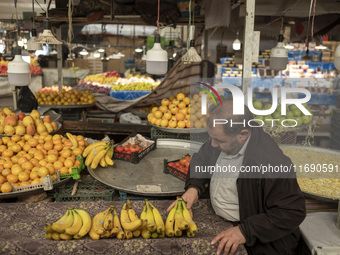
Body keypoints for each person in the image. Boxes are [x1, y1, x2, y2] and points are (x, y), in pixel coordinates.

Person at [167, 100, 306, 255]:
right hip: (220, 219)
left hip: (259, 241)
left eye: (219, 140)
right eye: (211, 138)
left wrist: (245, 231)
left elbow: (292, 212)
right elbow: (201, 159)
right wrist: (194, 187)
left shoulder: (271, 162)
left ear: (243, 135)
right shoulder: (221, 141)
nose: (212, 144)